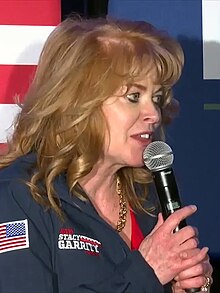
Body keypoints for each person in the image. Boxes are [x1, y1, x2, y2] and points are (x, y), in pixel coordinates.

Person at [0, 16, 213, 293]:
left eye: (157, 98)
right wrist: (146, 273)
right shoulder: (19, 196)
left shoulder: (146, 196)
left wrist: (189, 284)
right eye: (134, 97)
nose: (153, 114)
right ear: (79, 102)